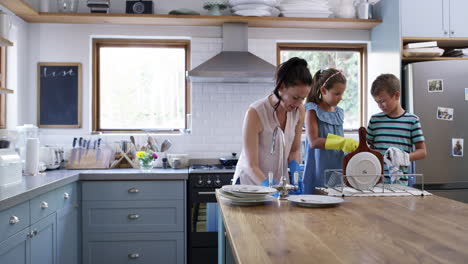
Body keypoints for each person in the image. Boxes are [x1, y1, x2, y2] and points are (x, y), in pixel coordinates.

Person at [232, 57, 312, 187]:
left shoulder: (299, 111)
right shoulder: (255, 113)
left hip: (278, 184)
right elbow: (251, 165)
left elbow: (294, 151)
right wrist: (267, 186)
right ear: (281, 87)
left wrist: (296, 176)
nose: (298, 104)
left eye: (302, 99)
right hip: (250, 185)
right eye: (295, 97)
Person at [303, 68, 358, 194]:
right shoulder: (312, 111)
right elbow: (314, 142)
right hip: (318, 171)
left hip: (337, 172)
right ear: (323, 90)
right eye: (337, 94)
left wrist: (350, 149)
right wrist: (341, 142)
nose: (341, 98)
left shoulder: (339, 113)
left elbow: (340, 143)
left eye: (342, 93)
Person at [367, 74, 427, 185]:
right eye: (377, 102)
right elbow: (368, 148)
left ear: (396, 95)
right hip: (375, 182)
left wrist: (404, 157)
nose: (380, 105)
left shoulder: (412, 121)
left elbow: (422, 152)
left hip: (400, 185)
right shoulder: (374, 120)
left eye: (383, 101)